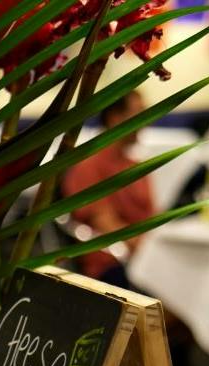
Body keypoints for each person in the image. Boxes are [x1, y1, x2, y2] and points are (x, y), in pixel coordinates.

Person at [61, 90, 154, 289]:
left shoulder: (136, 167)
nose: (146, 121)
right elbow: (105, 224)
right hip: (113, 261)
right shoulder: (89, 167)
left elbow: (153, 217)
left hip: (145, 256)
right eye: (139, 113)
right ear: (114, 118)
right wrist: (151, 250)